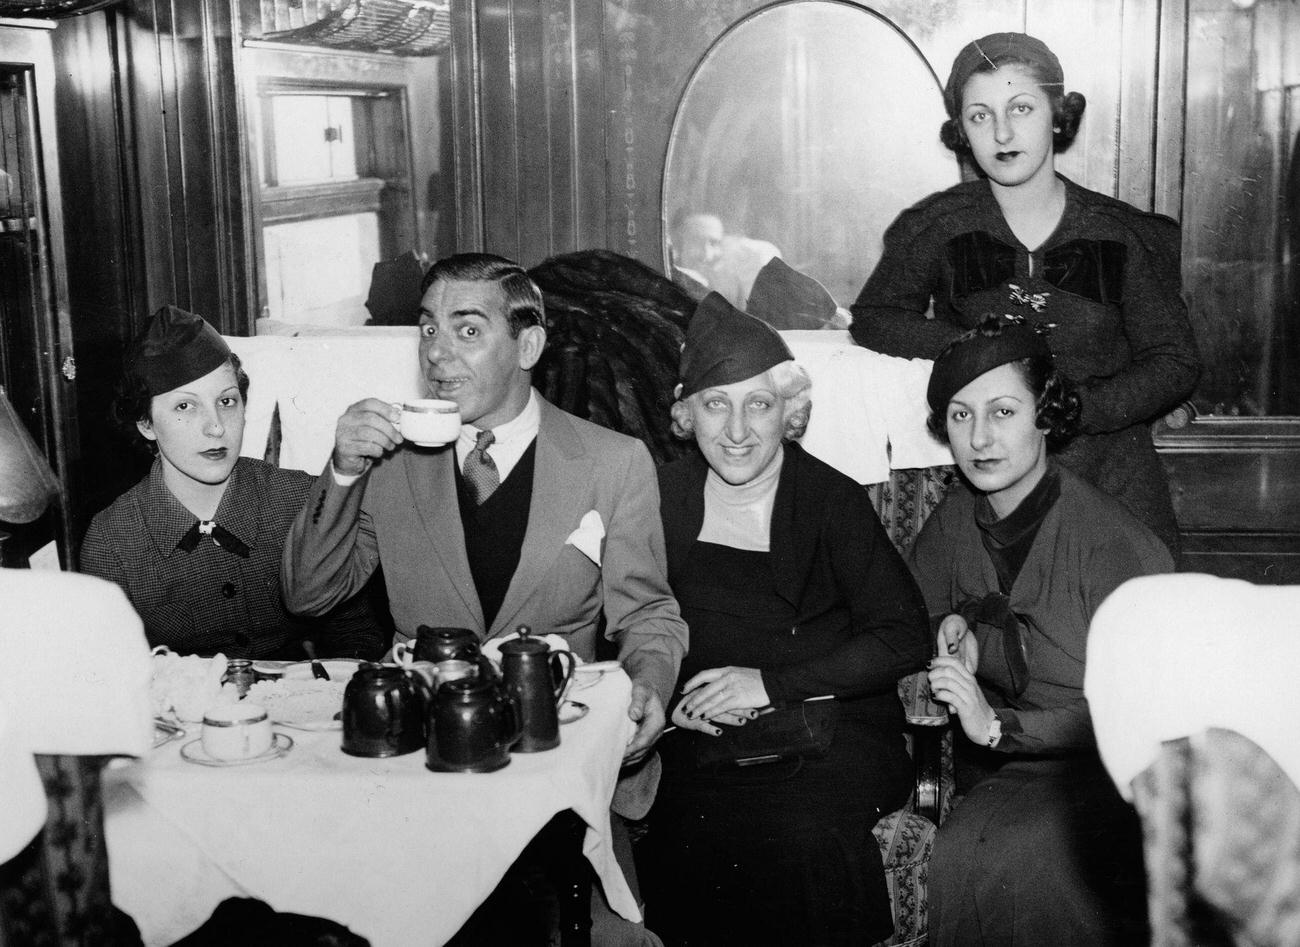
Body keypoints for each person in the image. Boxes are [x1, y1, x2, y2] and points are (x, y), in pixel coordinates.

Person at [279, 252, 687, 940]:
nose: (438, 355)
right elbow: (309, 593)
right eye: (428, 329)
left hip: (551, 769)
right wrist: (343, 472)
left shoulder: (613, 462)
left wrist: (648, 683)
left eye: (467, 331)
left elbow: (648, 614)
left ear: (528, 344)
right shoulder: (391, 463)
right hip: (420, 772)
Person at [638, 292, 931, 946]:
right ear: (687, 412)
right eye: (717, 403)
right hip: (708, 734)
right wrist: (665, 698)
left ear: (788, 413)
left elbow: (904, 635)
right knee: (690, 829)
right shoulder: (661, 495)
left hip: (832, 731)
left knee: (796, 833)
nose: (737, 429)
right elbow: (629, 621)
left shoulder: (830, 500)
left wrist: (769, 683)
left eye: (759, 404)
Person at [849, 32, 1200, 553]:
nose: (1003, 132)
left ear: (1058, 116)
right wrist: (977, 349)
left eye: (1022, 108)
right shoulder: (941, 226)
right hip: (989, 483)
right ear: (962, 133)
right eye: (980, 116)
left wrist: (1081, 409)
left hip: (1109, 474)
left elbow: (1174, 359)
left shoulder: (1118, 233)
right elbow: (875, 316)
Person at [910, 316, 1172, 946]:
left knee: (1037, 868)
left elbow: (1141, 714)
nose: (980, 437)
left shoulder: (1113, 544)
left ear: (1046, 417)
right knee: (956, 861)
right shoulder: (954, 517)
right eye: (960, 415)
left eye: (1002, 411)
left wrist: (997, 726)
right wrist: (954, 625)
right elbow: (904, 615)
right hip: (1026, 774)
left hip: (1126, 774)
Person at [80, 306, 382, 660]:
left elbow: (358, 639)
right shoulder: (112, 540)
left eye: (226, 401)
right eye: (184, 407)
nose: (216, 427)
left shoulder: (302, 498)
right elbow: (112, 678)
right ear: (146, 424)